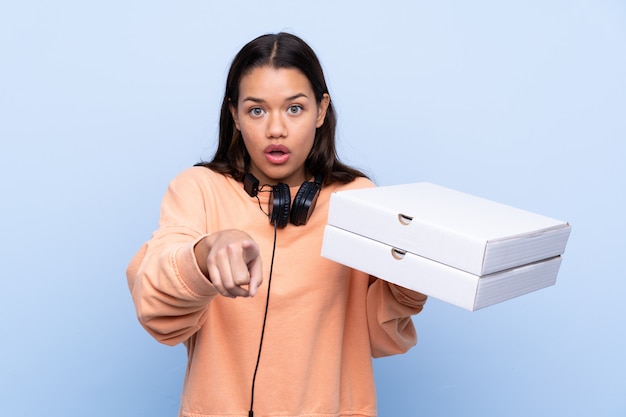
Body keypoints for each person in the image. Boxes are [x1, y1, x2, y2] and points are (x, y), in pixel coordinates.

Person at [126, 32, 427, 417]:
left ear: (321, 111)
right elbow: (155, 307)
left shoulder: (357, 198)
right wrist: (205, 254)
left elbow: (381, 336)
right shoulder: (199, 189)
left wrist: (410, 283)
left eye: (294, 109)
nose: (276, 130)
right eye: (256, 110)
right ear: (234, 115)